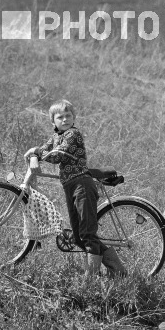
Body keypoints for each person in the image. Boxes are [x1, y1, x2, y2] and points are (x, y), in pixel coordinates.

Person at [24, 99, 127, 277]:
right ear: (53, 122)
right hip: (70, 186)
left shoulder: (73, 134)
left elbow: (58, 154)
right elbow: (45, 149)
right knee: (78, 237)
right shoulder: (56, 137)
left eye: (68, 116)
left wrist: (36, 152)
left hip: (82, 184)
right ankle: (117, 271)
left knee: (87, 232)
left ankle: (91, 278)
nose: (64, 120)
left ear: (73, 118)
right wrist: (35, 152)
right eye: (60, 117)